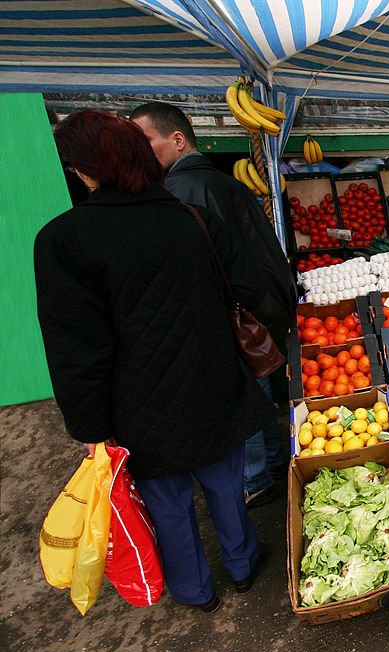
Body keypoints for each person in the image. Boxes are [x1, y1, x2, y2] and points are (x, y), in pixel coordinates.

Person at [35, 109, 275, 613]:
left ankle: (193, 591)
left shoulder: (63, 239)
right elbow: (245, 287)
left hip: (139, 401)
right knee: (226, 485)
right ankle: (243, 564)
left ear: (85, 169)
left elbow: (76, 344)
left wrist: (90, 423)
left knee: (166, 503)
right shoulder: (190, 217)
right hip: (213, 380)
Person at [129, 102, 296, 508]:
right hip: (260, 300)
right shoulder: (220, 182)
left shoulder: (181, 192)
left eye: (144, 140)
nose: (137, 151)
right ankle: (274, 460)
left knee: (242, 391)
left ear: (177, 139)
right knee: (256, 385)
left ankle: (255, 478)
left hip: (235, 308)